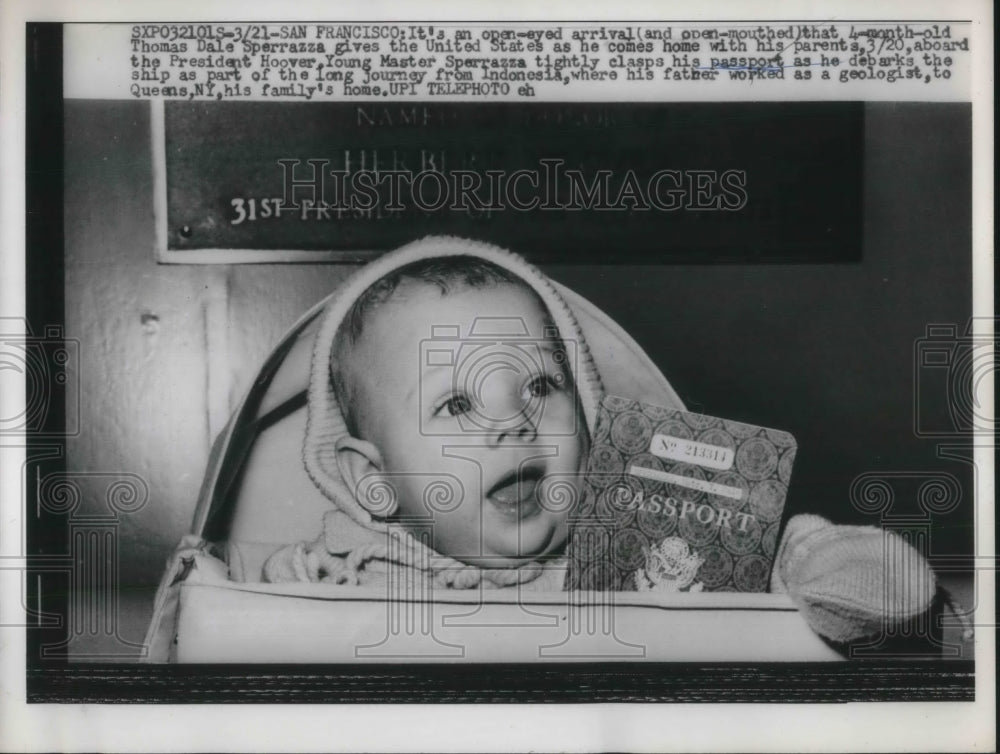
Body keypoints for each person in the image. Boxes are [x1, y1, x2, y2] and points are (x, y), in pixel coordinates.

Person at [264, 237, 603, 590]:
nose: (513, 422)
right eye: (457, 405)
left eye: (540, 386)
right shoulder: (331, 577)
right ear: (375, 478)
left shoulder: (630, 569)